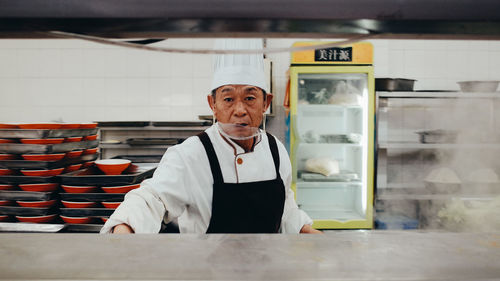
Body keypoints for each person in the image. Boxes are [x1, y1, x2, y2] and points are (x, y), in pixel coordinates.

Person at [100, 39, 321, 234]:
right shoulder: (191, 153)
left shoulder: (276, 150)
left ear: (266, 102)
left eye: (250, 98)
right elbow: (152, 198)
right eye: (228, 99)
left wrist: (307, 230)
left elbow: (286, 208)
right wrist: (125, 228)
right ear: (212, 105)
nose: (240, 110)